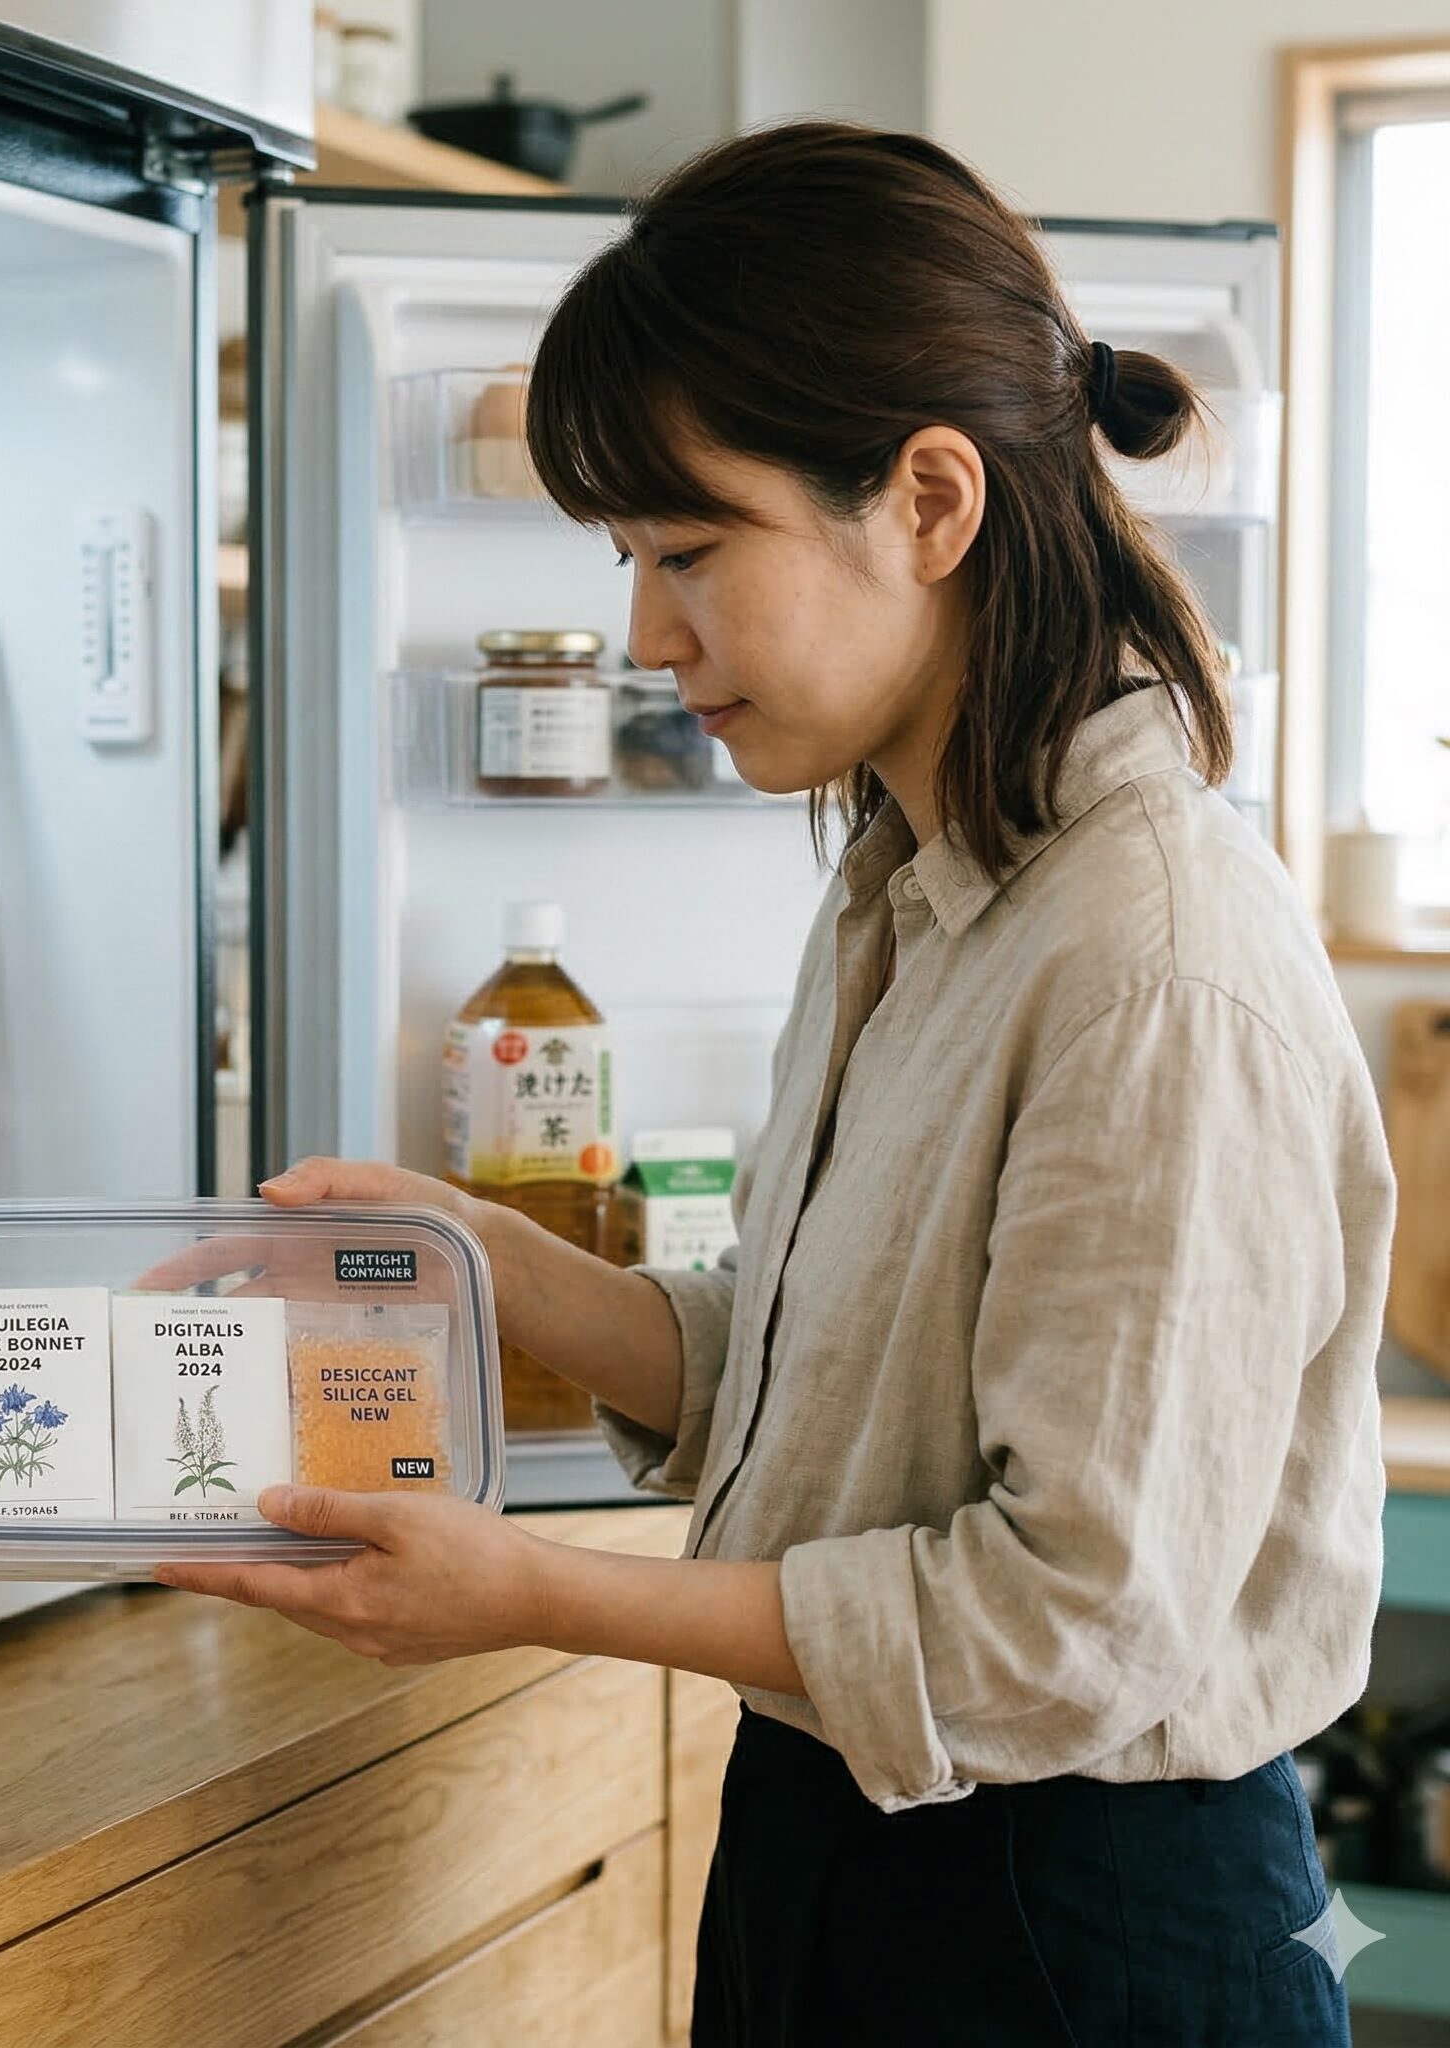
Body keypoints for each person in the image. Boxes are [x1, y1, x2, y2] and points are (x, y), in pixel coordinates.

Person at [156, 122, 1393, 2046]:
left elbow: (1067, 1619)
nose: (651, 635)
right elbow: (835, 1384)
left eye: (690, 547)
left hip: (1080, 1920)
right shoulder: (910, 881)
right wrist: (483, 1258)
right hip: (850, 1843)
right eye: (629, 559)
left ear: (927, 499)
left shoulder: (1154, 960)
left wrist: (533, 1591)